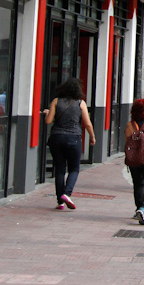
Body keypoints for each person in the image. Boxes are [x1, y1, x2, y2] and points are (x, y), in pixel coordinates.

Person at [42, 78, 95, 210]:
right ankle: (67, 193)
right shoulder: (80, 103)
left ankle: (60, 201)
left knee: (59, 169)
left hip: (57, 138)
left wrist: (48, 114)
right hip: (74, 138)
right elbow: (87, 123)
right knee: (74, 169)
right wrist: (92, 137)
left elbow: (48, 121)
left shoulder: (56, 101)